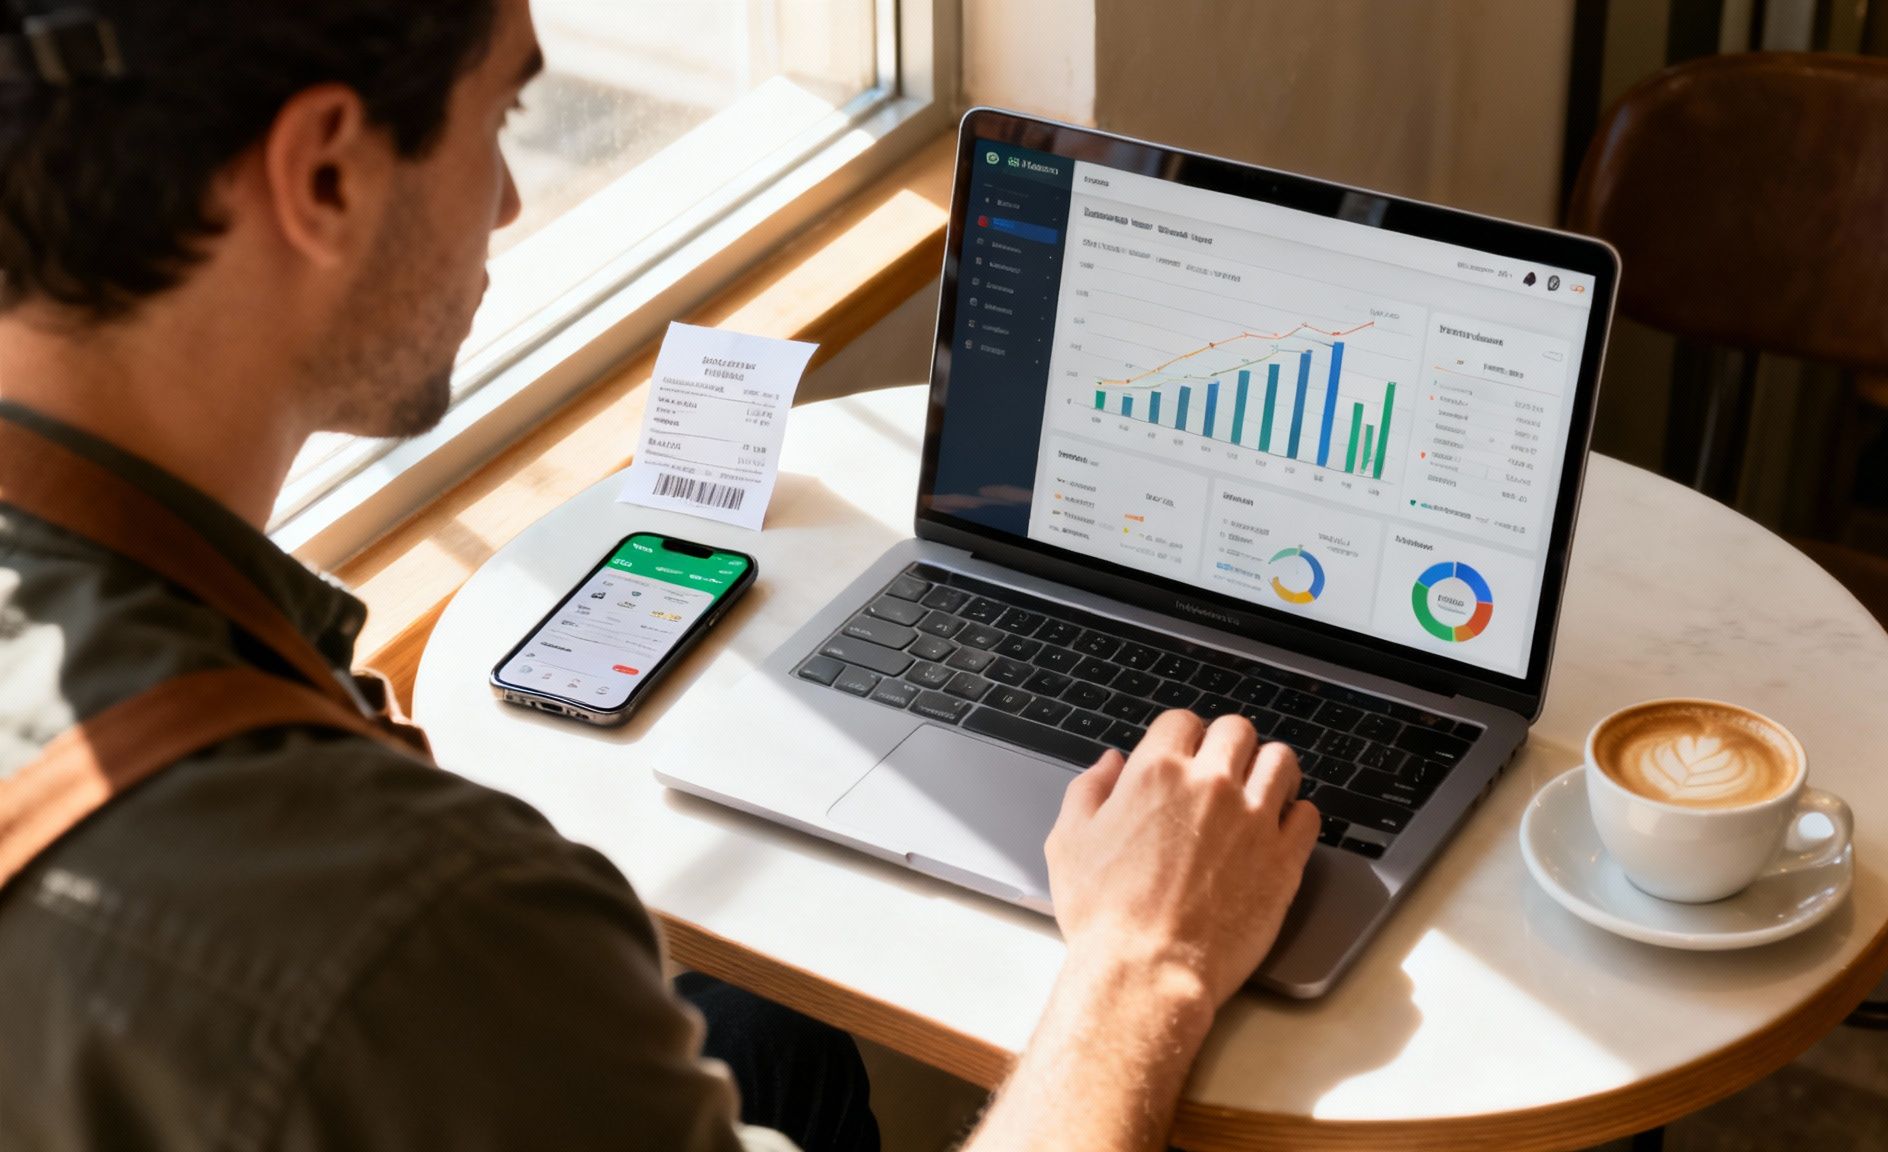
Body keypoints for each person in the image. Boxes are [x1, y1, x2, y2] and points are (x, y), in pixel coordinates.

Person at [0, 1, 1321, 1149]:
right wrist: (1148, 958)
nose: (511, 202)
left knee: (767, 1040)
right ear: (326, 176)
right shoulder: (419, 922)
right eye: (504, 113)